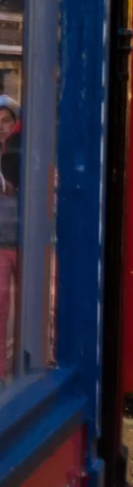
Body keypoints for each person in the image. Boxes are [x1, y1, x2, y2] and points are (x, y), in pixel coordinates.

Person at [0, 96, 21, 376]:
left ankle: (23, 369)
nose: (1, 126)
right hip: (1, 241)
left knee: (30, 312)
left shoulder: (24, 155)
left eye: (6, 121)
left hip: (27, 240)